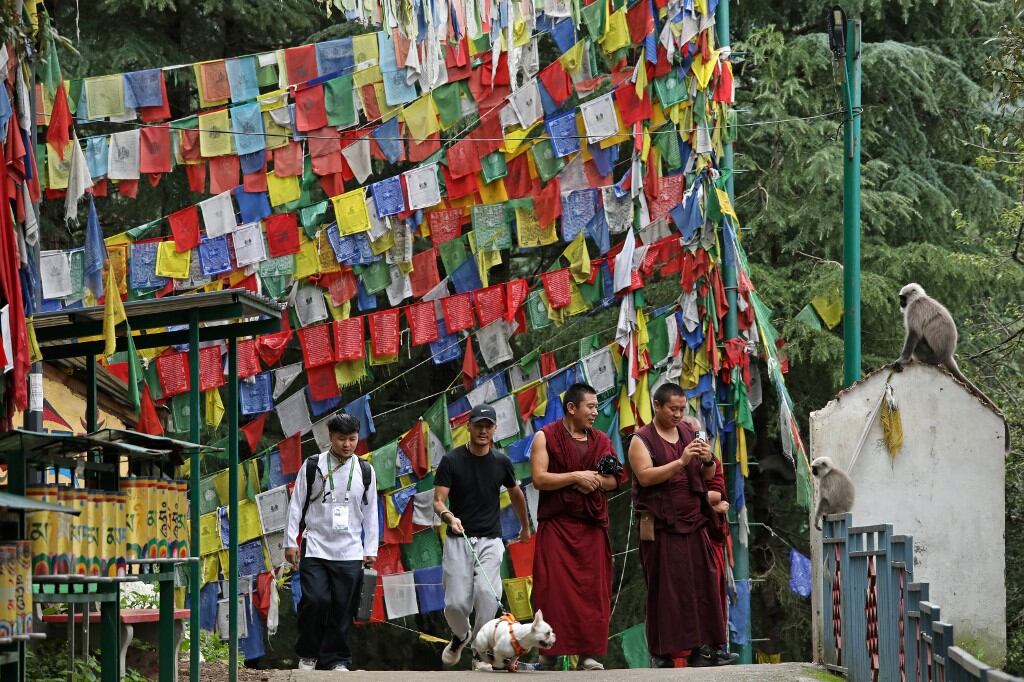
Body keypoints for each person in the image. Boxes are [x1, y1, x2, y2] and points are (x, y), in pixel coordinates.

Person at [629, 383, 738, 668]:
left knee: (702, 586)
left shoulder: (689, 432)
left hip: (694, 520)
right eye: (672, 409)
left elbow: (707, 474)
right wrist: (681, 461)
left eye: (682, 409)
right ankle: (662, 654)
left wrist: (706, 460)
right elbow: (645, 477)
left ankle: (702, 650)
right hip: (663, 526)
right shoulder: (641, 439)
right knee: (667, 590)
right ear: (656, 406)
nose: (678, 414)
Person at [530, 383, 627, 671]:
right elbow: (539, 479)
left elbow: (616, 479)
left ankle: (587, 655)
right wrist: (575, 476)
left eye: (597, 407)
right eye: (591, 407)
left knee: (592, 592)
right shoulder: (545, 437)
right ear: (572, 408)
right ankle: (549, 654)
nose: (595, 412)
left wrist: (594, 481)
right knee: (552, 591)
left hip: (590, 528)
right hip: (558, 526)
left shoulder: (600, 441)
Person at [434, 403, 531, 671]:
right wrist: (449, 517)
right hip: (458, 538)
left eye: (488, 426)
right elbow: (438, 501)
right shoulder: (451, 460)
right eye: (478, 425)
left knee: (488, 594)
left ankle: (479, 651)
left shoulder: (501, 462)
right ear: (469, 426)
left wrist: (525, 526)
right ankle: (460, 636)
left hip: (490, 539)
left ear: (495, 429)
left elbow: (516, 494)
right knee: (455, 604)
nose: (483, 430)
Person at [284, 413, 378, 672]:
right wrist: (290, 541)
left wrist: (371, 549)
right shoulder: (313, 465)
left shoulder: (365, 470)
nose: (347, 445)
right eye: (341, 439)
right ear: (330, 438)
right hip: (315, 546)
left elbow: (371, 513)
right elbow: (296, 505)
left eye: (352, 439)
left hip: (350, 551)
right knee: (315, 601)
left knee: (342, 608)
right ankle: (307, 655)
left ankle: (336, 659)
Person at [683, 415, 731, 641]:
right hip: (681, 536)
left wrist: (703, 499)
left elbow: (718, 492)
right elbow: (675, 496)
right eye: (693, 436)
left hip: (710, 537)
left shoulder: (711, 461)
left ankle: (711, 645)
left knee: (712, 591)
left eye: (701, 436)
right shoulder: (673, 459)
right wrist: (709, 503)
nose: (699, 441)